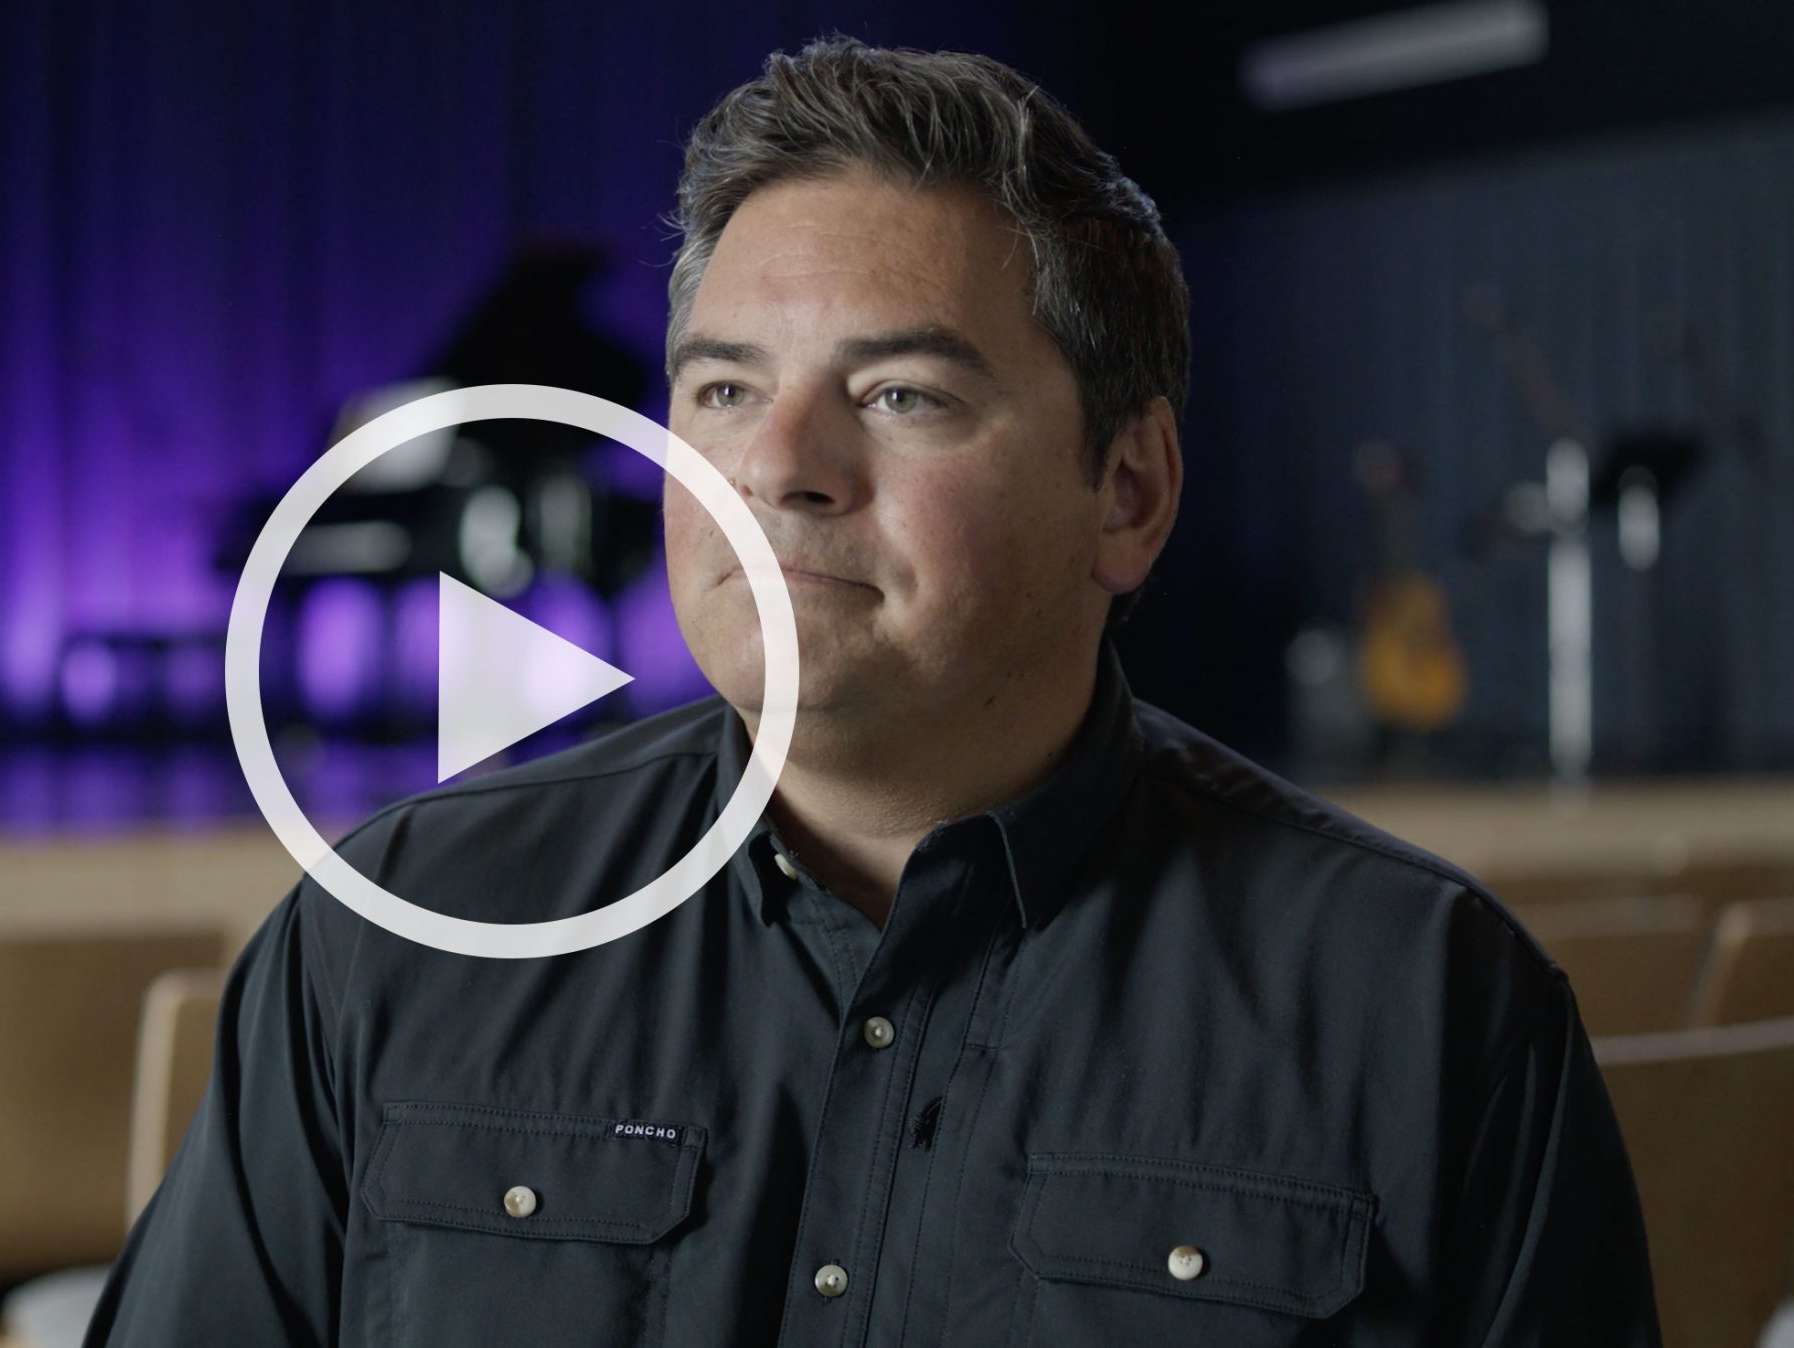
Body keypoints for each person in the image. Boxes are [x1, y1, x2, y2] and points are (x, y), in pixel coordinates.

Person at [85, 38, 1658, 1347]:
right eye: (723, 389)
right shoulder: (391, 941)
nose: (778, 467)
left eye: (902, 394)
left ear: (1128, 491)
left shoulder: (1434, 1011)